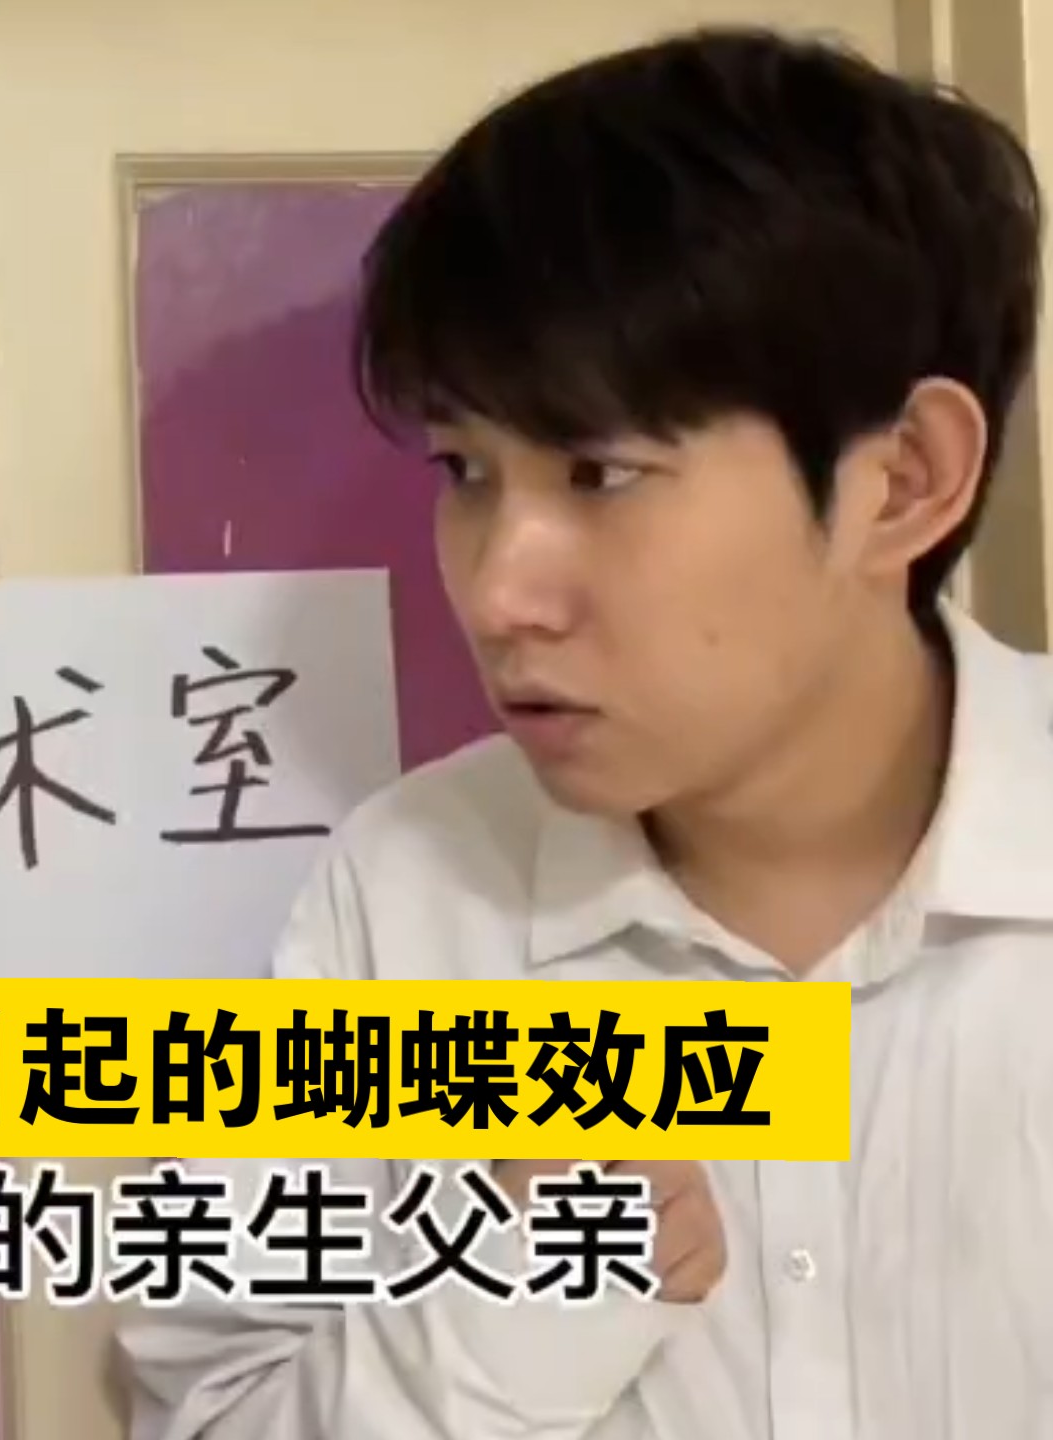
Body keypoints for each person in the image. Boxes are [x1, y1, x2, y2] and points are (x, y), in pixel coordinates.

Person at [119, 25, 1053, 1440]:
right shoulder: (413, 899)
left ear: (904, 480)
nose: (499, 592)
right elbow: (209, 1413)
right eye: (466, 470)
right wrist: (500, 1314)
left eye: (602, 474)